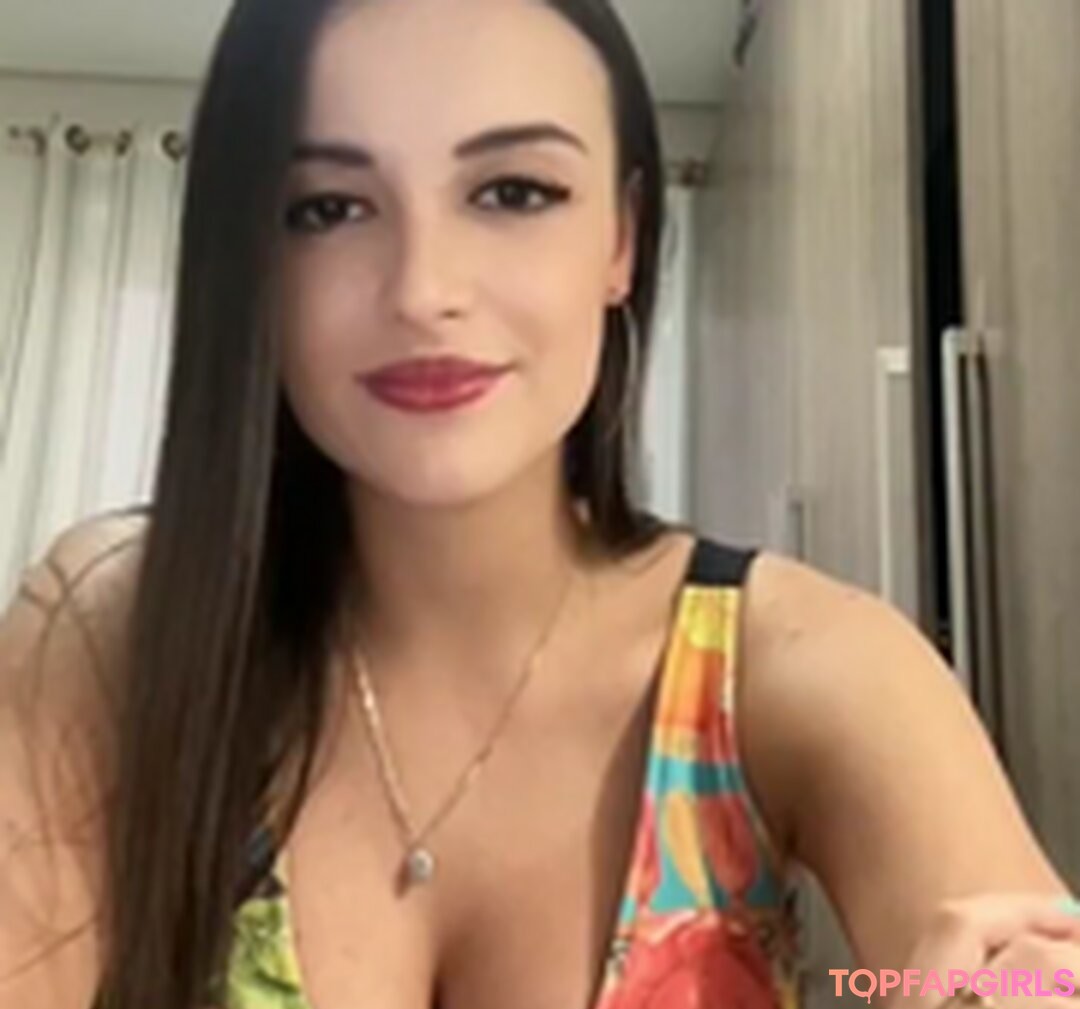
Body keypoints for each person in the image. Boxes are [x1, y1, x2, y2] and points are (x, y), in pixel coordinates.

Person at [1, 1, 1078, 1007]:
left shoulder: (803, 664)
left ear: (621, 239)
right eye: (328, 208)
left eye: (513, 193)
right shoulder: (118, 633)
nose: (424, 289)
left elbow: (1024, 977)